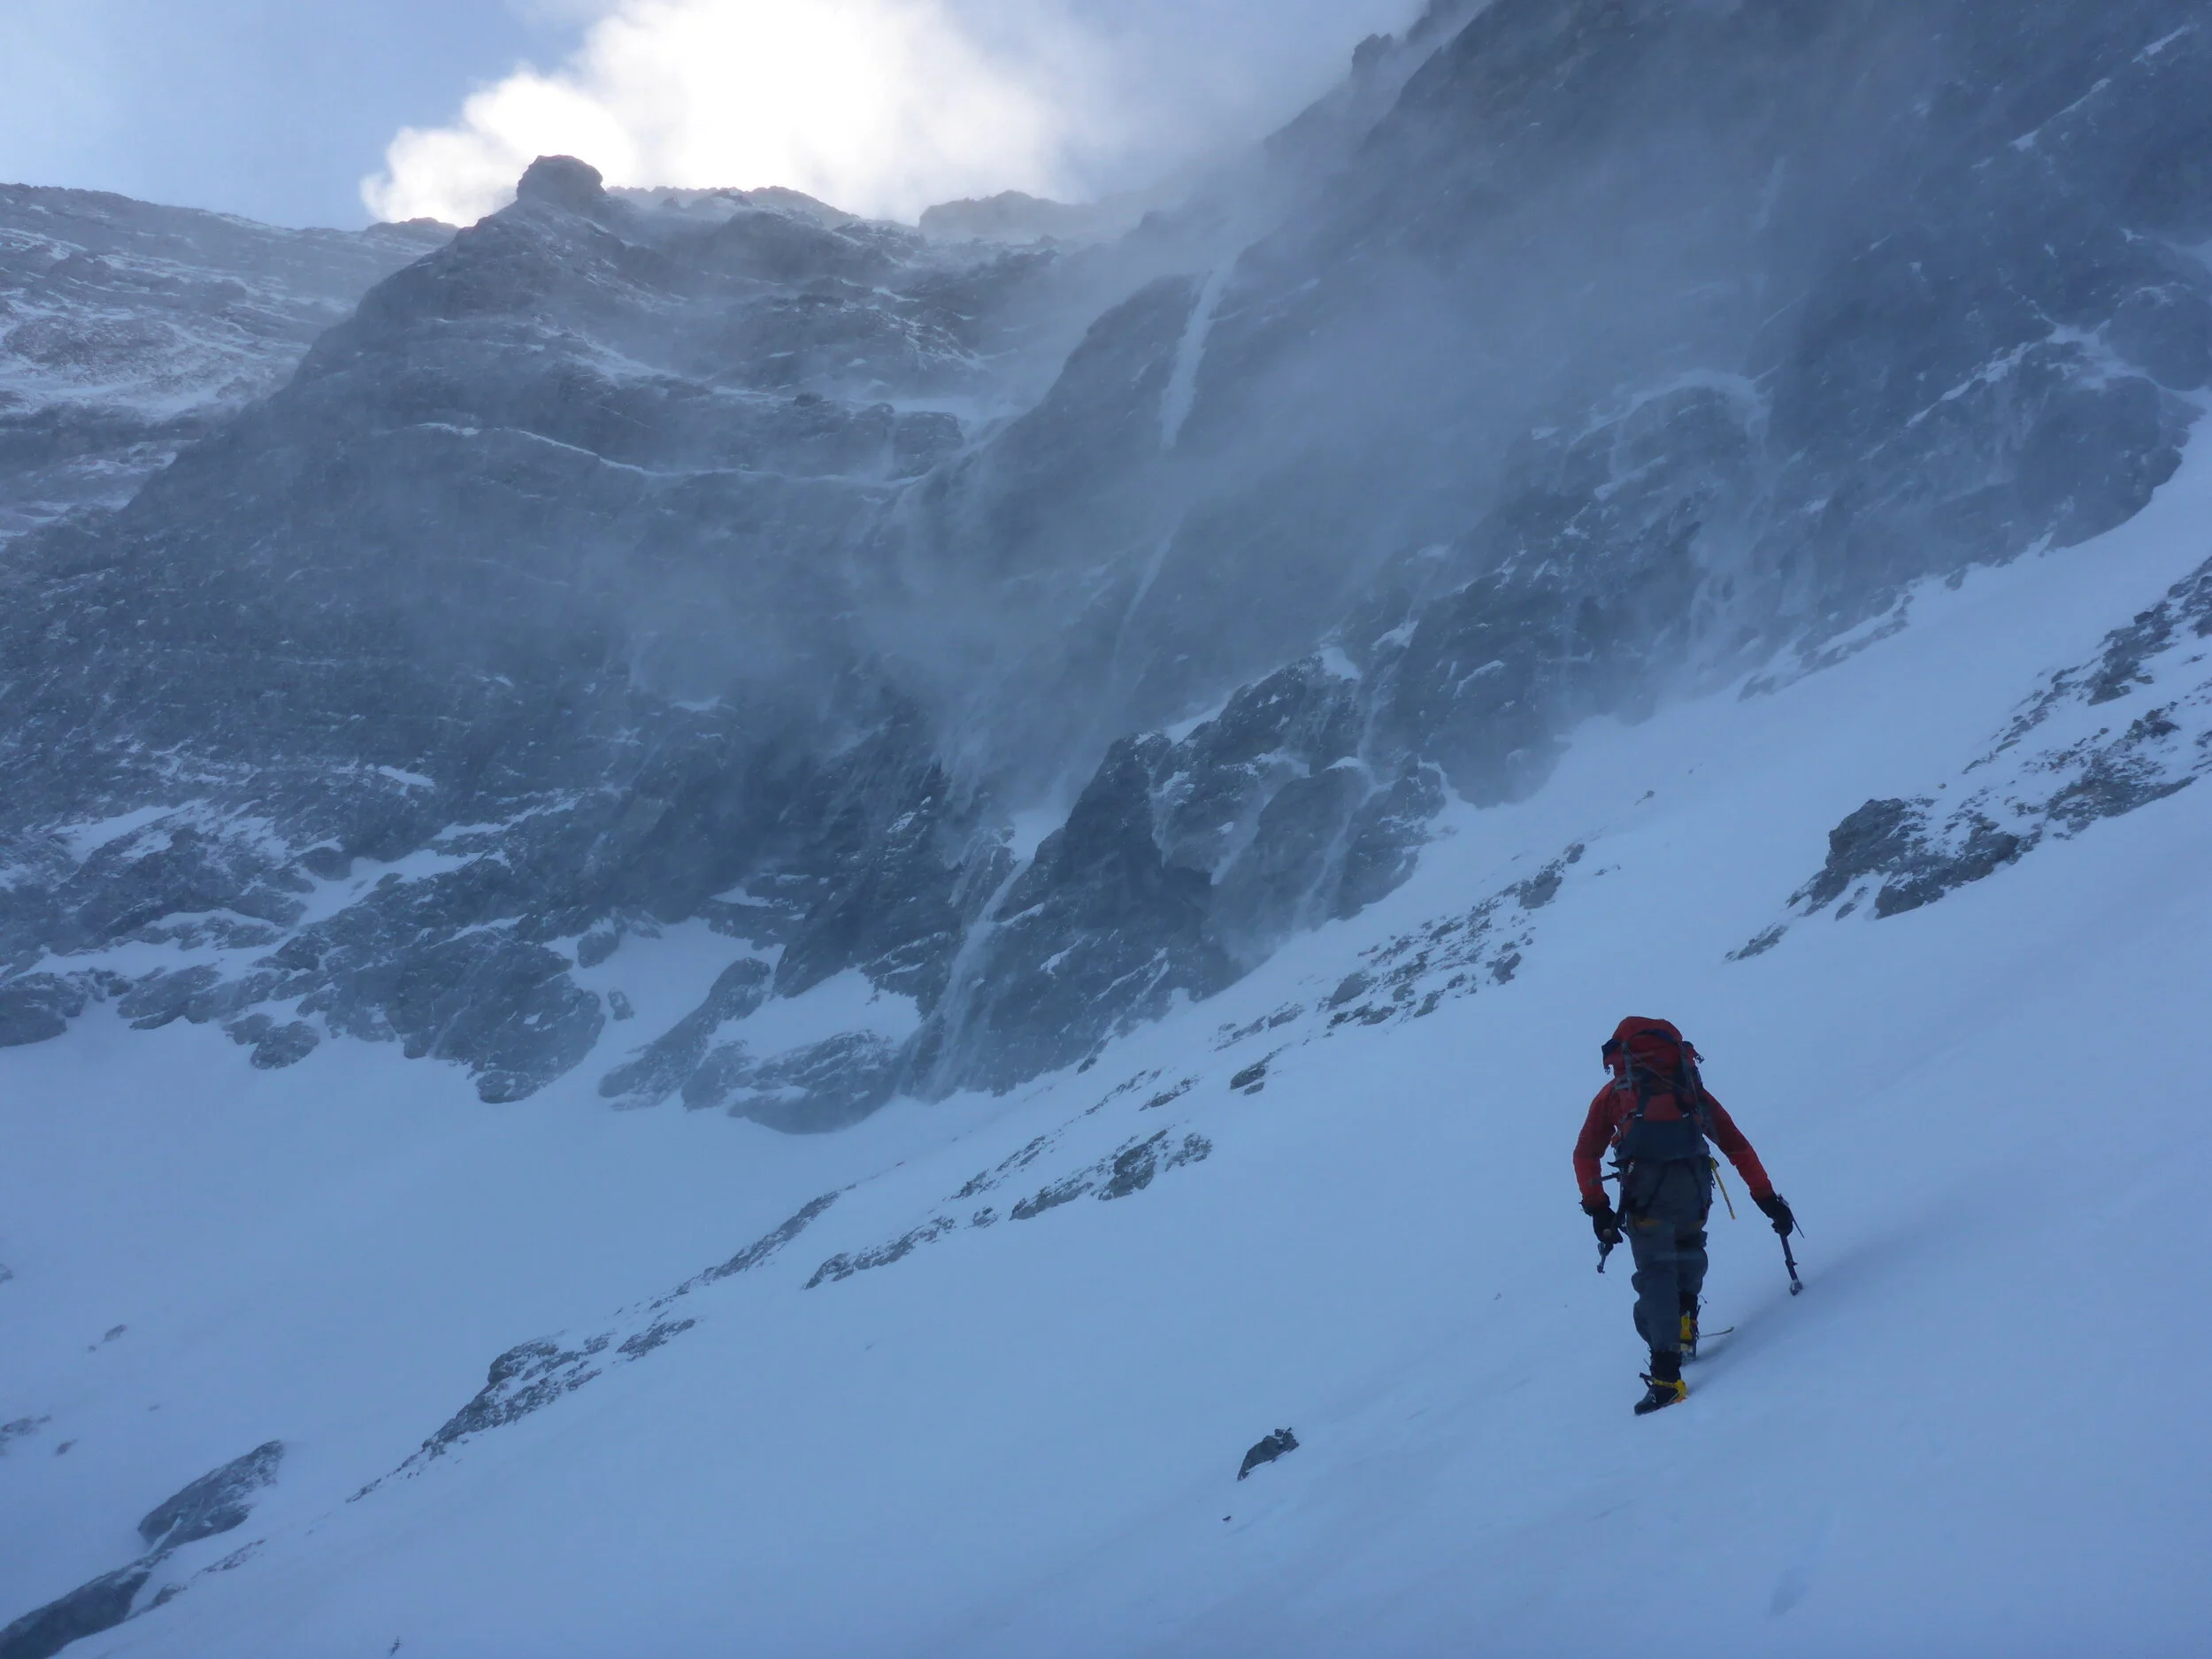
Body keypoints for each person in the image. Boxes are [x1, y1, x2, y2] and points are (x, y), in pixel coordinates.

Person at [1573, 1016, 1793, 1415]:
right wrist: (1766, 1198)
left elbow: (1585, 1153)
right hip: (1694, 1190)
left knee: (1655, 1274)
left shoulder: (1615, 1094)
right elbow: (1736, 1145)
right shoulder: (1689, 1090)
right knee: (1689, 1248)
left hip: (1645, 1194)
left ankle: (1666, 1377)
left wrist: (1598, 1209)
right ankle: (1686, 1322)